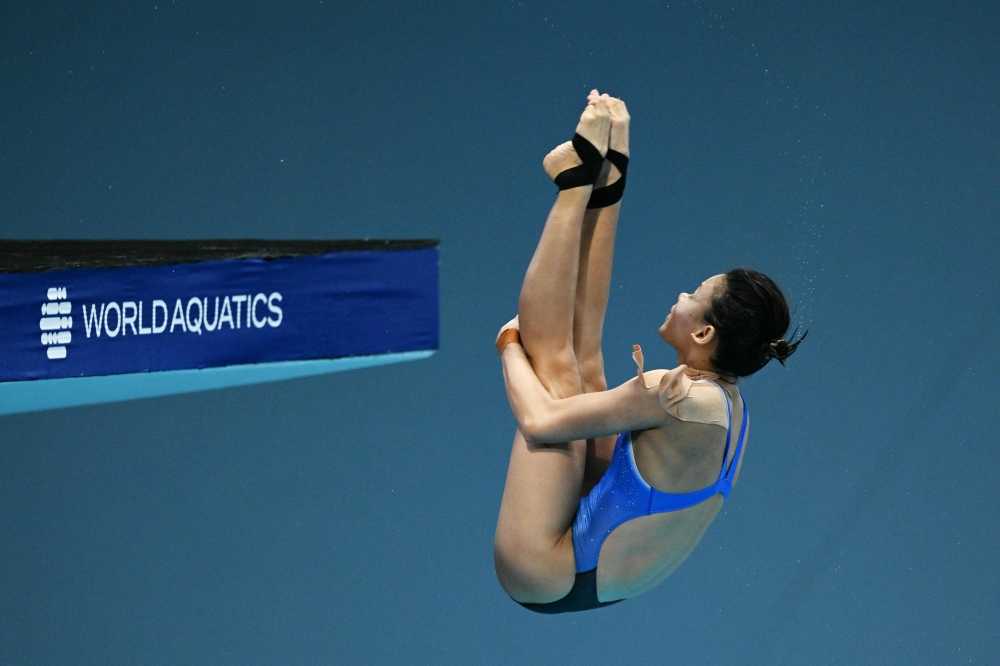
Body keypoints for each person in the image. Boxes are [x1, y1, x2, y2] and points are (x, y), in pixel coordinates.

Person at [493, 91, 805, 614]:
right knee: (585, 362)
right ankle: (604, 182)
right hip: (597, 567)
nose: (681, 296)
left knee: (553, 369)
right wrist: (615, 162)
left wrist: (508, 345)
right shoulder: (726, 405)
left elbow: (540, 421)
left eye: (694, 296)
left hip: (547, 570)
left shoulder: (678, 396)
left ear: (705, 334)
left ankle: (574, 183)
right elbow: (586, 343)